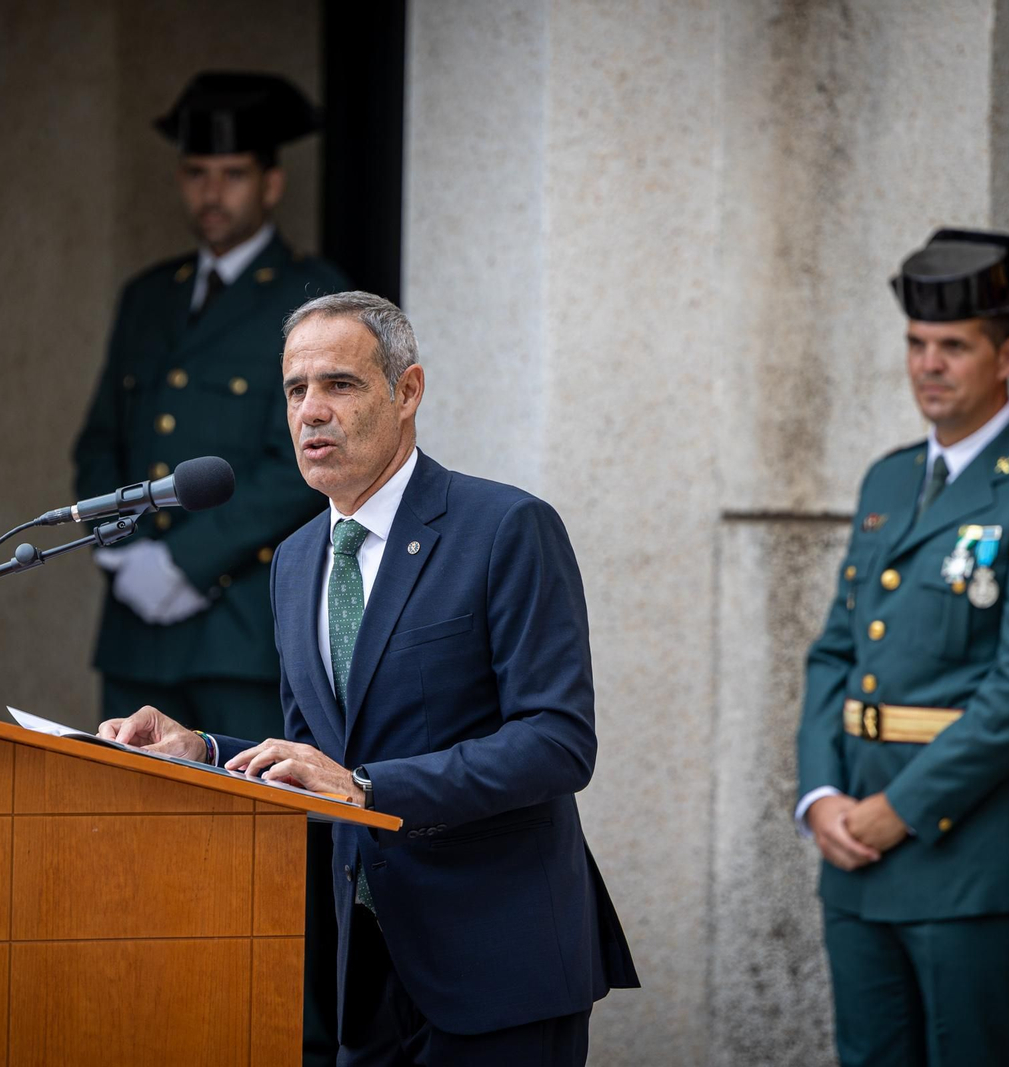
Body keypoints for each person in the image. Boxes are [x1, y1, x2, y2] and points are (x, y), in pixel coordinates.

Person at [99, 291, 639, 1066]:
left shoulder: (505, 528)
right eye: (295, 389)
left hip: (499, 965)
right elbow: (320, 756)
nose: (311, 411)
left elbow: (557, 743)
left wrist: (368, 788)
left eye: (339, 384)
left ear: (406, 391)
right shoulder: (294, 561)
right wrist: (207, 751)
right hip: (368, 977)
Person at [71, 70, 348, 1065]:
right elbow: (100, 441)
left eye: (232, 173)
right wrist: (119, 546)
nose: (211, 193)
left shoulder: (313, 299)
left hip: (237, 630)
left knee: (258, 862)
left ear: (272, 182)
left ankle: (285, 1044)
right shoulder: (147, 297)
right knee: (132, 852)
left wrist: (186, 562)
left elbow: (298, 461)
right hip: (138, 631)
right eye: (197, 173)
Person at [793, 229, 1009, 1067]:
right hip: (854, 849)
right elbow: (834, 653)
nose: (928, 365)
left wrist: (898, 810)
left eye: (954, 346)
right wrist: (820, 794)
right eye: (916, 344)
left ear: (1008, 356)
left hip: (969, 858)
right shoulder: (890, 478)